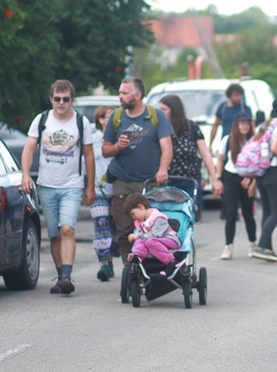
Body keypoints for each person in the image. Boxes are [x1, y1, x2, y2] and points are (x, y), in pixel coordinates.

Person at [21, 79, 96, 294]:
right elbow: (28, 149)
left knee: (67, 229)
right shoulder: (41, 120)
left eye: (65, 99)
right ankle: (61, 276)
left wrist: (90, 186)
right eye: (57, 99)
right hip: (46, 185)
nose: (61, 103)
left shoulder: (81, 123)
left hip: (72, 185)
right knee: (54, 234)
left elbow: (89, 156)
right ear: (51, 99)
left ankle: (66, 276)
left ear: (72, 101)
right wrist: (25, 175)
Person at [102, 77, 174, 266]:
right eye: (120, 93)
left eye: (124, 93)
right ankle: (132, 271)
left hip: (149, 182)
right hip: (122, 181)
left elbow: (167, 147)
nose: (120, 97)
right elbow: (105, 150)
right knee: (125, 230)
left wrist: (162, 169)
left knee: (152, 228)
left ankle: (154, 267)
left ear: (138, 95)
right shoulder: (116, 117)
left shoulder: (156, 116)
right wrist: (117, 146)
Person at [159, 94, 222, 215]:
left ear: (174, 110)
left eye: (163, 109)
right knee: (169, 220)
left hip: (190, 182)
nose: (160, 113)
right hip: (167, 182)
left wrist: (214, 179)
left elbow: (205, 153)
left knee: (188, 219)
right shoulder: (160, 128)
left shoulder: (191, 127)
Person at [250, 94, 277, 262]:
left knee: (268, 211)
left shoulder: (265, 124)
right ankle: (261, 246)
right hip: (273, 170)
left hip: (261, 171)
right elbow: (275, 148)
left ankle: (267, 248)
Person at [216, 112, 258, 260]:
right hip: (230, 177)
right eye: (242, 123)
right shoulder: (228, 140)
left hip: (248, 177)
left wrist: (253, 180)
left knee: (248, 212)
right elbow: (221, 159)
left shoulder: (254, 141)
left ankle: (253, 244)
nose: (244, 126)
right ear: (236, 125)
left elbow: (258, 162)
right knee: (231, 211)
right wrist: (218, 178)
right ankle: (228, 246)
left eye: (247, 123)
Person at [91, 105, 119, 282]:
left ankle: (112, 258)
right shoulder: (92, 139)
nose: (111, 120)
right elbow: (87, 163)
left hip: (117, 189)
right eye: (109, 116)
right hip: (97, 189)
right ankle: (104, 264)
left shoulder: (119, 138)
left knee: (115, 226)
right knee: (101, 225)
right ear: (101, 119)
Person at [124, 192, 181, 277]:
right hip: (154, 243)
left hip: (170, 241)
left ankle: (172, 262)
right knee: (141, 240)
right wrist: (138, 238)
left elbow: (154, 235)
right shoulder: (141, 222)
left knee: (148, 241)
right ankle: (138, 256)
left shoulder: (158, 218)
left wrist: (136, 236)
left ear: (140, 207)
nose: (133, 217)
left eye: (133, 214)